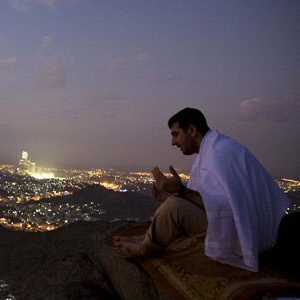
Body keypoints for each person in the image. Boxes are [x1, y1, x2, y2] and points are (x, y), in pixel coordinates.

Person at [114, 107, 289, 272]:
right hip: (247, 223)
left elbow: (227, 206)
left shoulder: (218, 154)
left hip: (247, 231)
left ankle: (145, 249)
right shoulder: (213, 148)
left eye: (176, 134)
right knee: (173, 203)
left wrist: (180, 192)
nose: (173, 142)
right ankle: (149, 238)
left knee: (174, 207)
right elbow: (208, 200)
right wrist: (171, 196)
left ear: (191, 130)